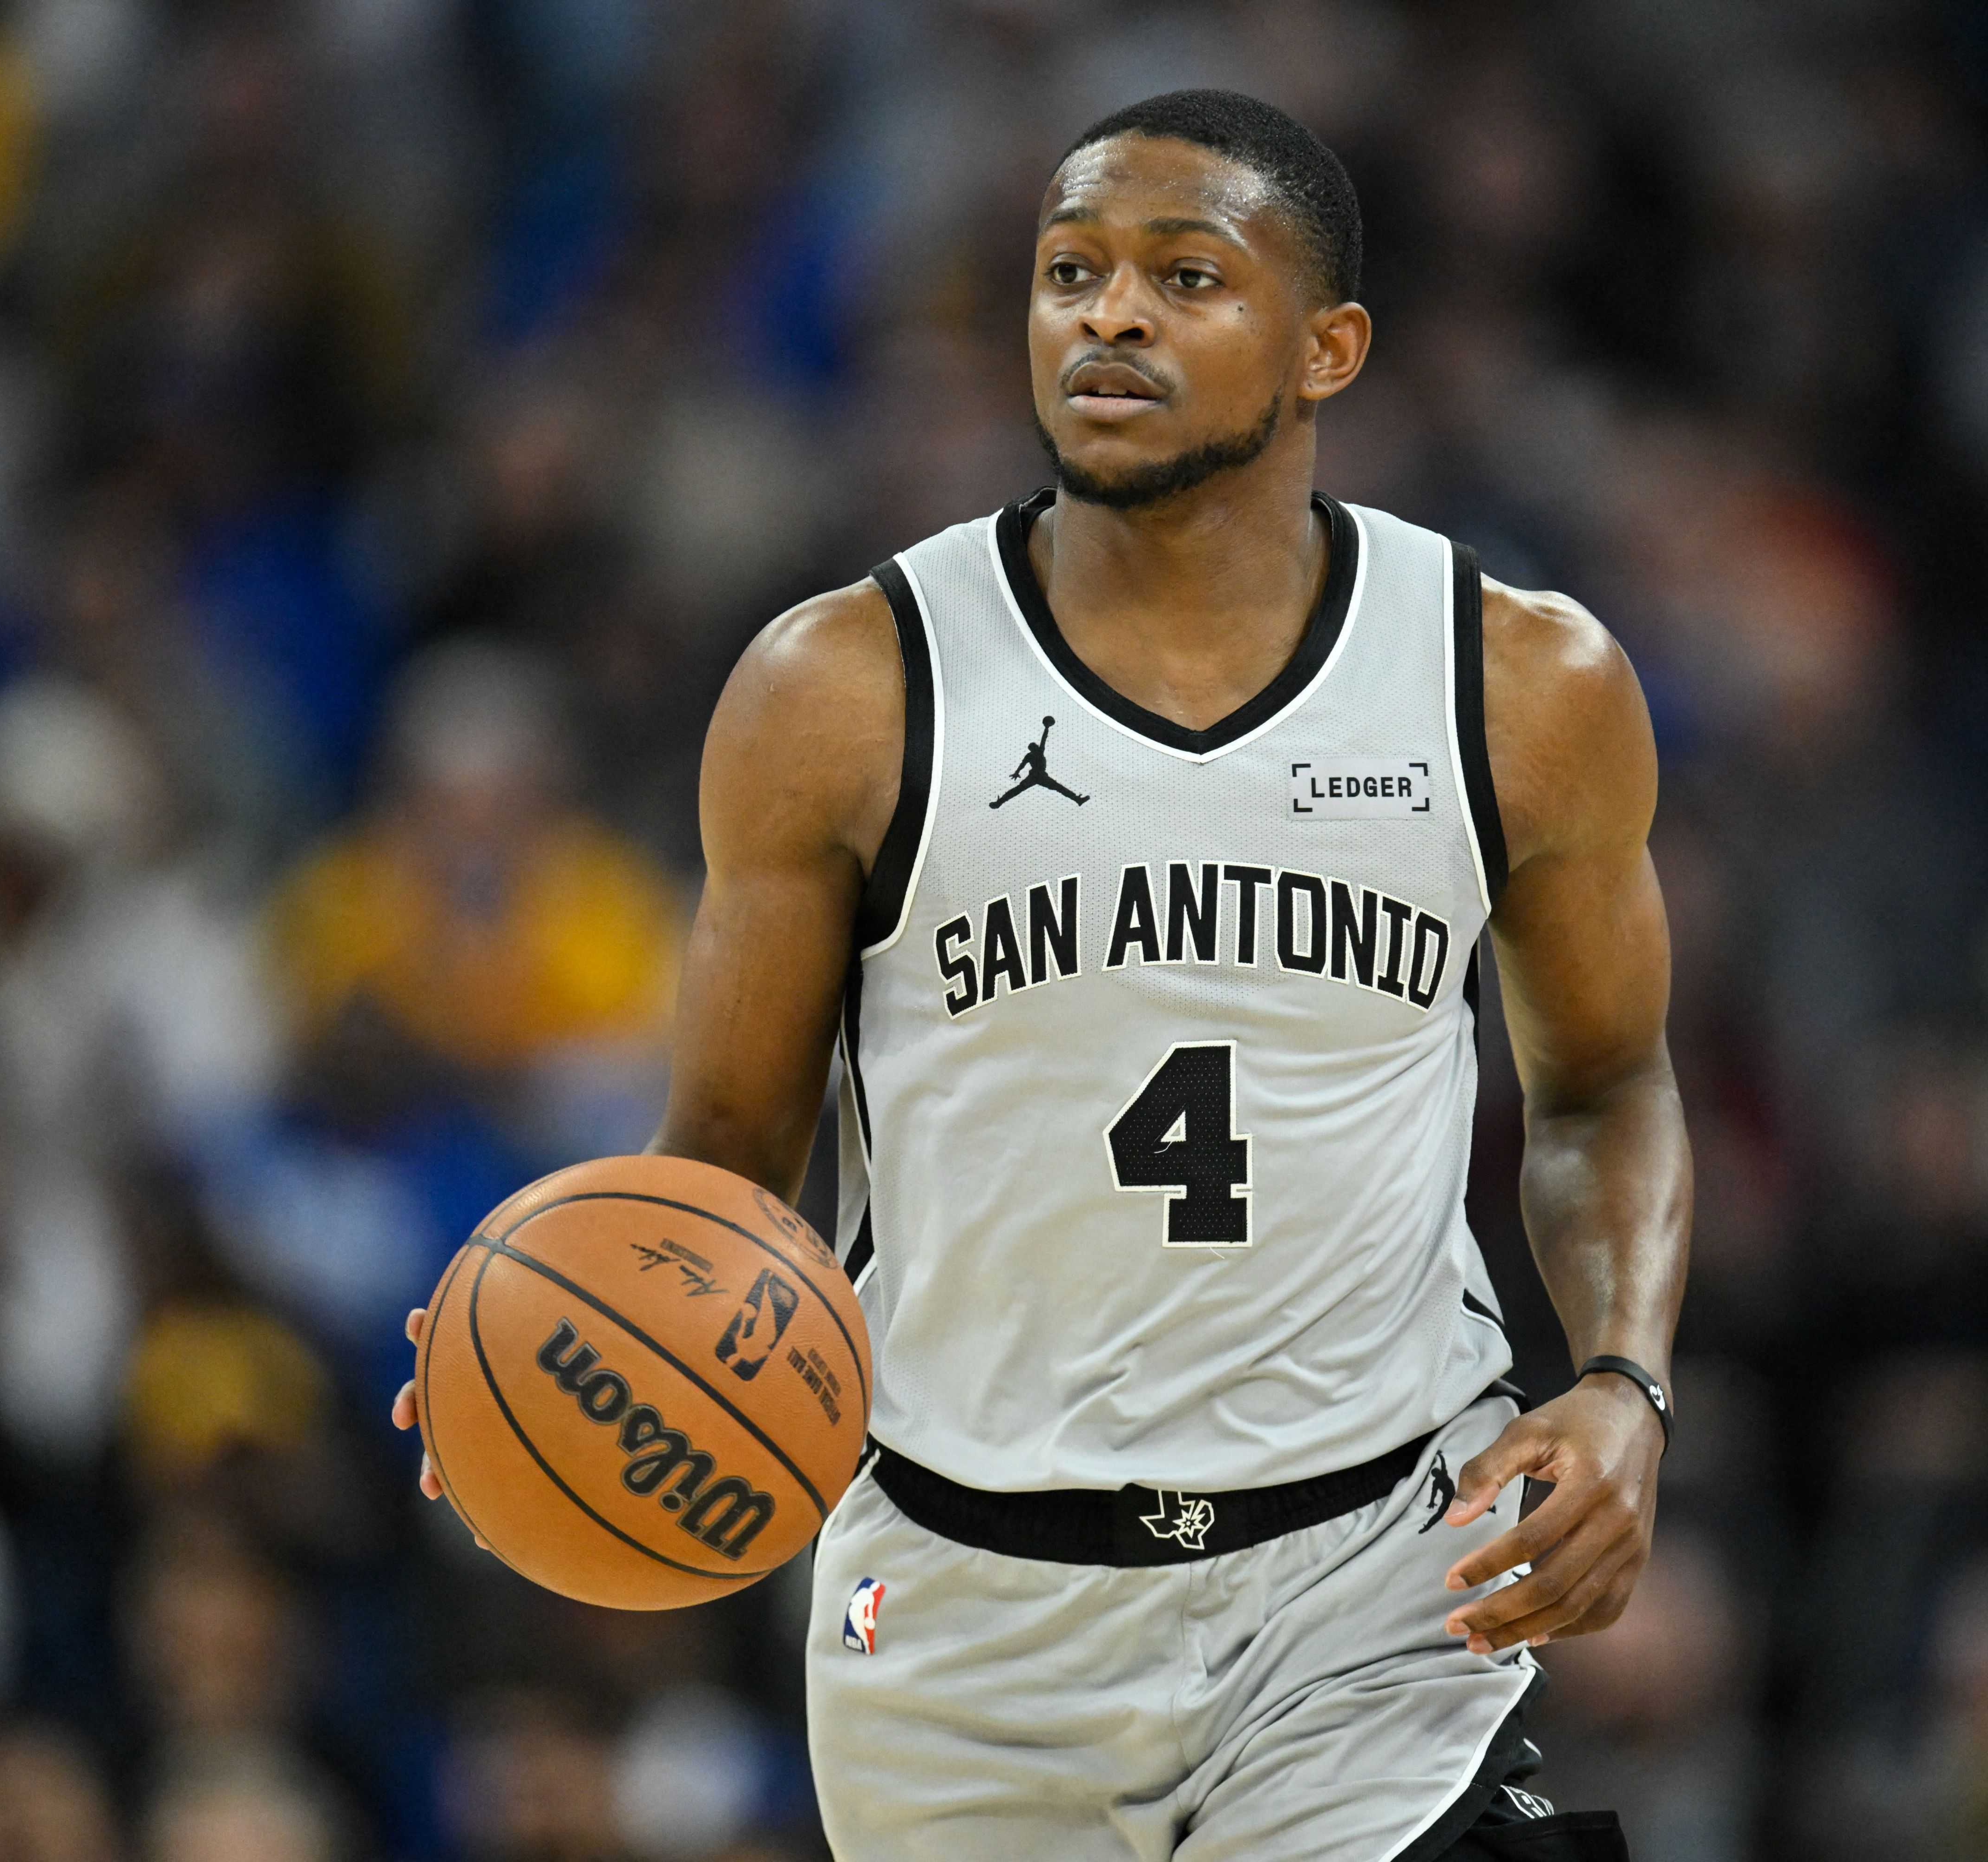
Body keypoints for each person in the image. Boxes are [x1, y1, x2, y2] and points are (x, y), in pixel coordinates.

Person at [395, 88, 1690, 1861]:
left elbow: (1609, 1084)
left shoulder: (1518, 683)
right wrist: (554, 1346)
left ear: (1331, 347)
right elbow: (721, 1162)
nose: (1111, 315)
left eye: (1185, 275)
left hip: (1376, 1582)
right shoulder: (841, 689)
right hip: (956, 1613)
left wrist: (1621, 1380)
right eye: (1069, 271)